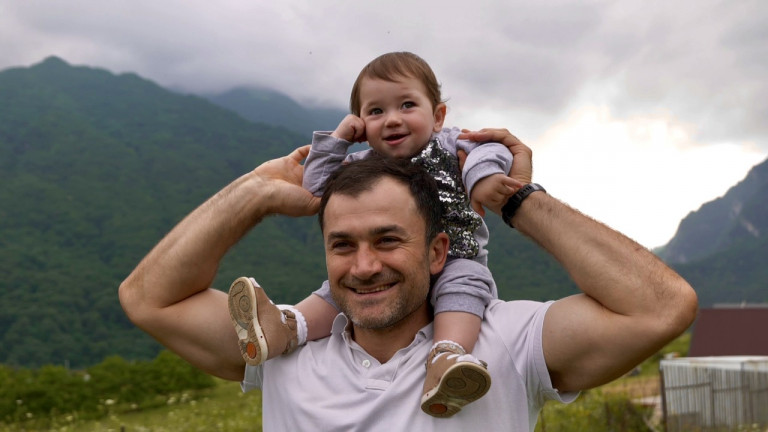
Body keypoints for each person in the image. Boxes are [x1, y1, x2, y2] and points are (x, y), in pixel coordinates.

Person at [119, 129, 698, 431]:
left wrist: (511, 197)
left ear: (439, 250)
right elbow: (147, 298)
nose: (364, 265)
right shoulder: (278, 349)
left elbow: (662, 307)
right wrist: (255, 191)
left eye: (388, 239)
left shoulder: (506, 342)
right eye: (342, 245)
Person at [227, 51, 518, 417]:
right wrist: (340, 139)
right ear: (361, 123)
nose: (392, 119)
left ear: (439, 115)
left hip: (458, 258)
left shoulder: (452, 146)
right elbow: (316, 188)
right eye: (376, 111)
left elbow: (491, 149)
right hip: (391, 267)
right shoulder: (362, 165)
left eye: (407, 105)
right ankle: (285, 327)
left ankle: (446, 360)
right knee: (337, 291)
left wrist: (485, 179)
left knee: (464, 288)